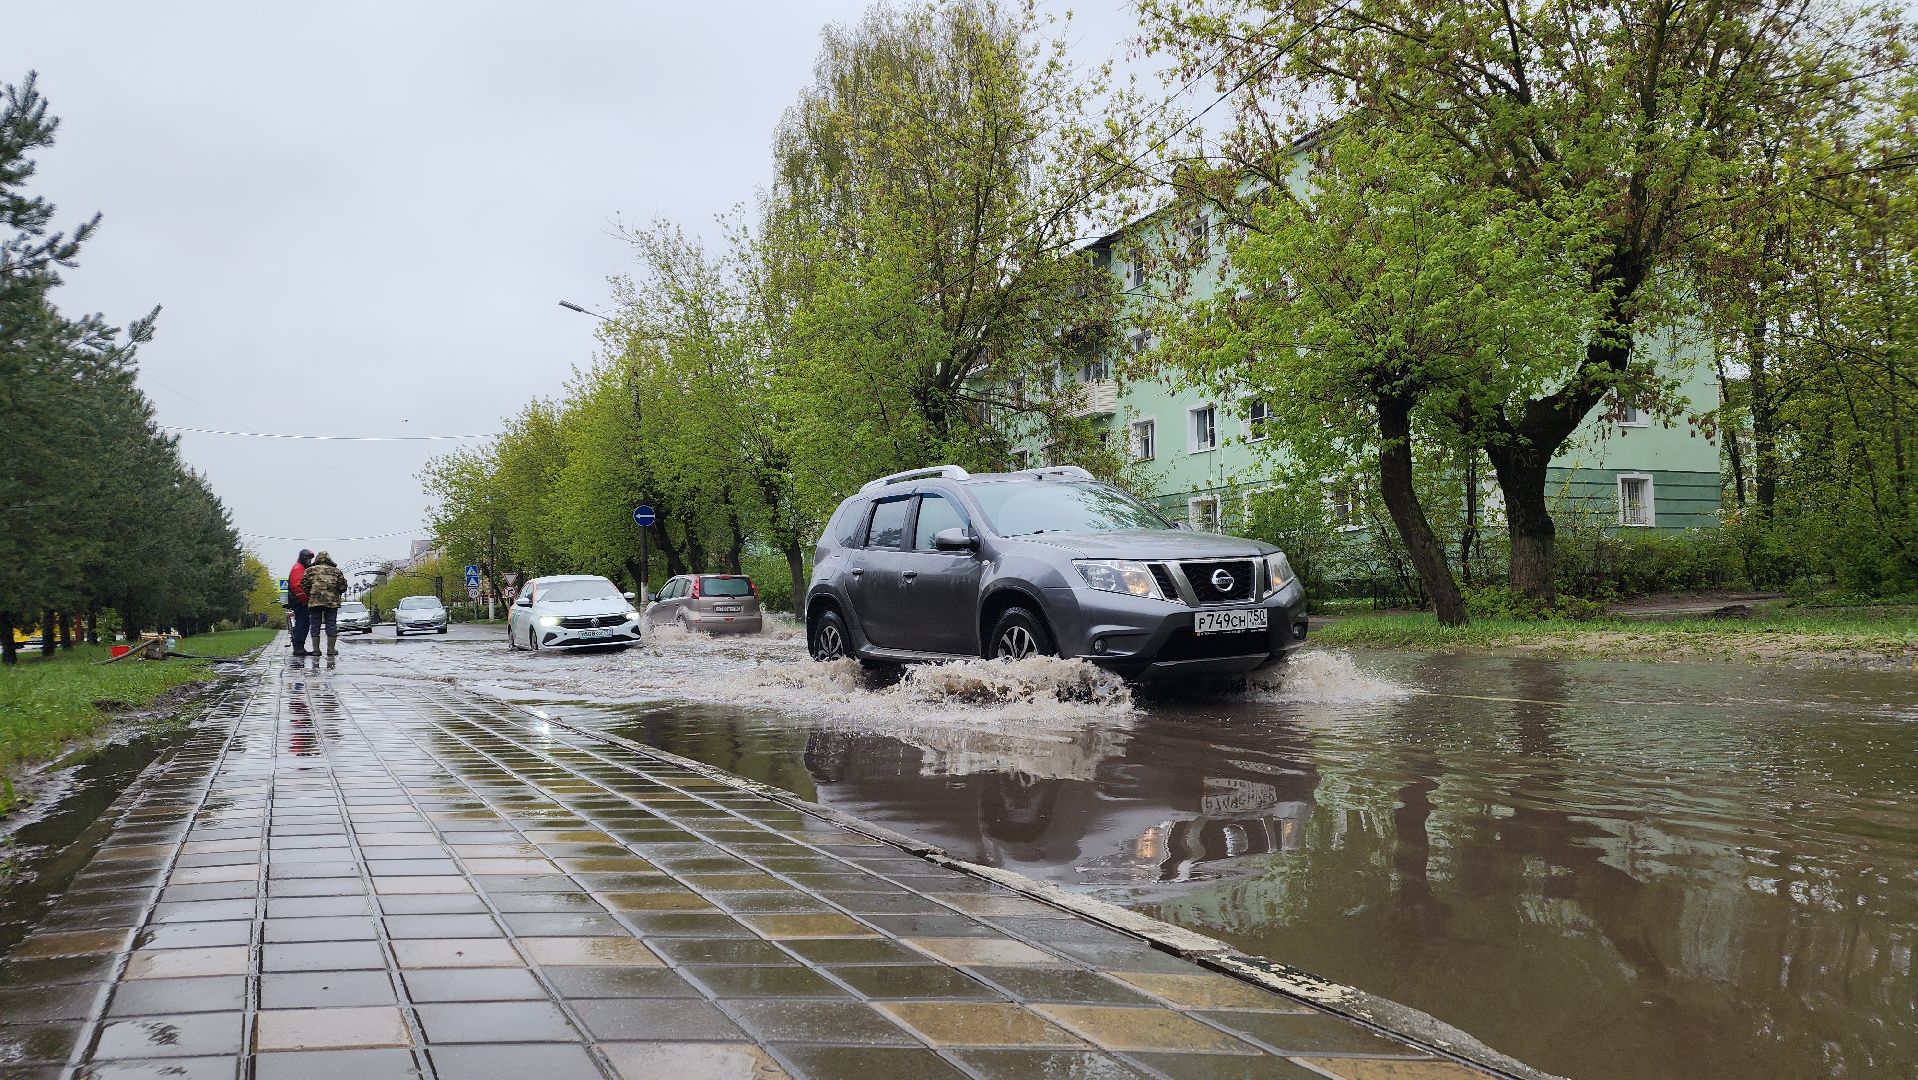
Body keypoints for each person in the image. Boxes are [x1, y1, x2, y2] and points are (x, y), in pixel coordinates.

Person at [302, 551, 349, 657]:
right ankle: (331, 649)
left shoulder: (310, 571)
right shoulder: (336, 571)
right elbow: (342, 587)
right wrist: (336, 592)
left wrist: (311, 593)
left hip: (315, 602)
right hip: (332, 602)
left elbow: (304, 584)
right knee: (331, 624)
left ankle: (316, 650)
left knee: (315, 625)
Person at [286, 549, 315, 656]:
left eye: (311, 559)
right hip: (300, 602)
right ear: (303, 558)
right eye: (308, 558)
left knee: (303, 623)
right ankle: (298, 648)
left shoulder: (300, 567)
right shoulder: (298, 568)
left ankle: (299, 647)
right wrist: (305, 600)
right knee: (302, 624)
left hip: (299, 601)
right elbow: (297, 587)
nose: (310, 561)